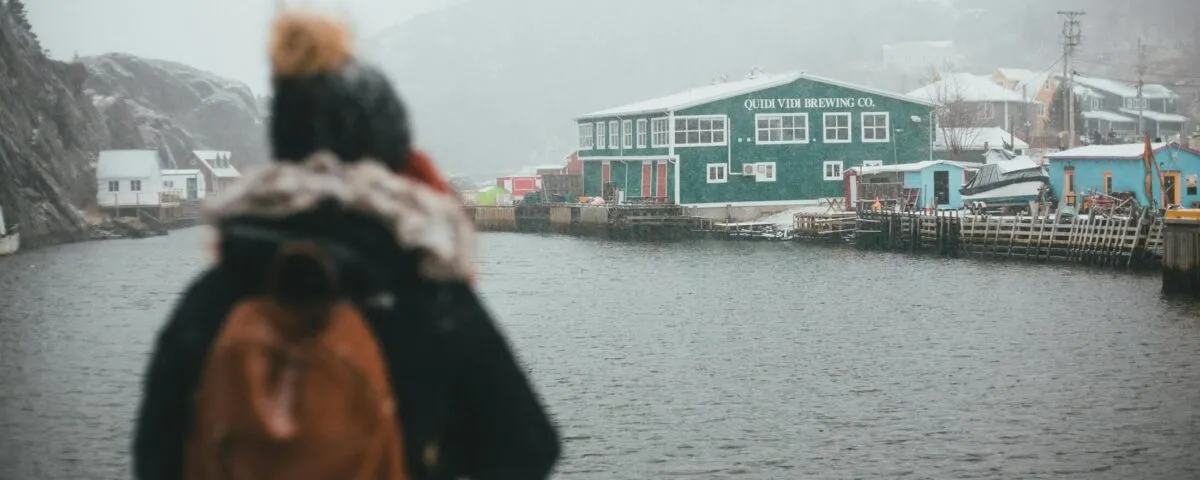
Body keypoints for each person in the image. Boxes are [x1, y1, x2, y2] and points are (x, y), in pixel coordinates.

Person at [132, 10, 560, 480]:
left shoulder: (217, 294)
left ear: (285, 149)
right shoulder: (424, 293)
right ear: (390, 155)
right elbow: (528, 449)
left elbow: (155, 456)